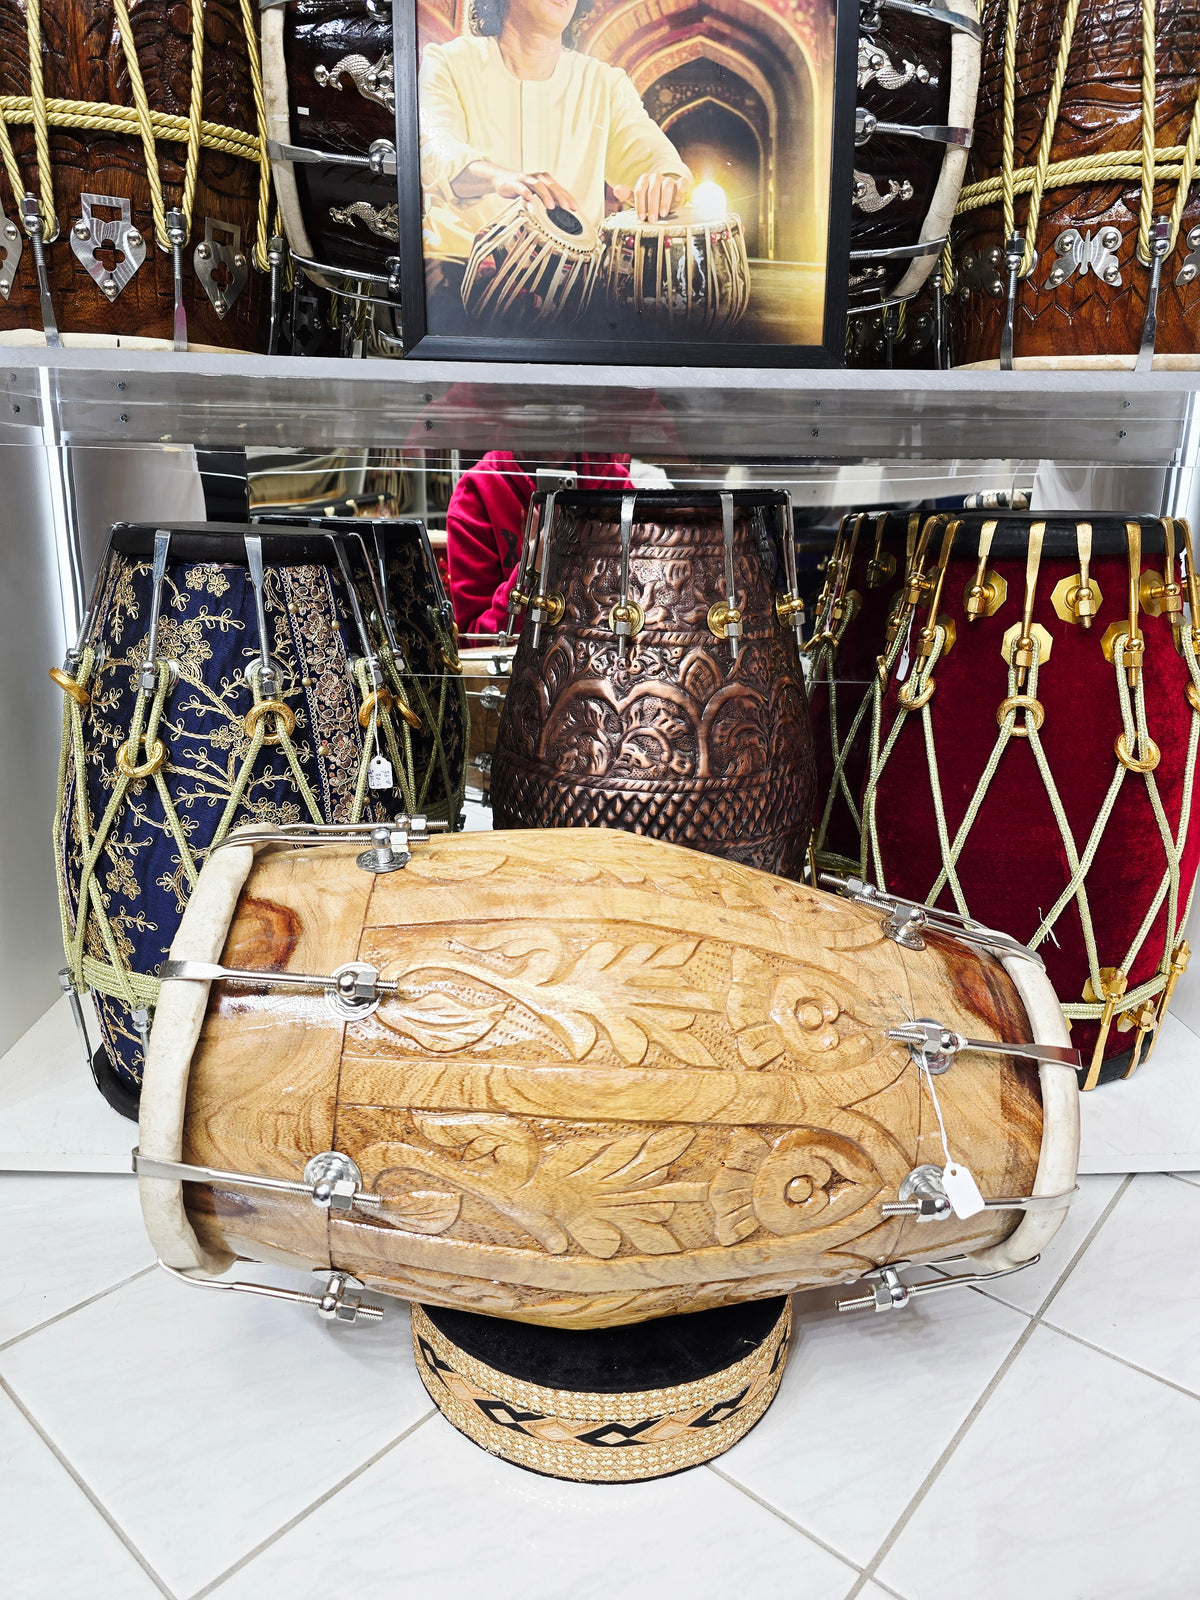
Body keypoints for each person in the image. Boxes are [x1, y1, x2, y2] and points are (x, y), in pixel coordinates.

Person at [419, 0, 692, 313]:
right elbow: (435, 150)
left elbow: (655, 158)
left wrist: (666, 182)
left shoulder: (604, 83)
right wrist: (499, 177)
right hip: (458, 269)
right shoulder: (448, 62)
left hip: (572, 283)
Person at [447, 452, 632, 637]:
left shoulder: (607, 477)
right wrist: (531, 567)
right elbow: (473, 638)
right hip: (524, 650)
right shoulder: (478, 491)